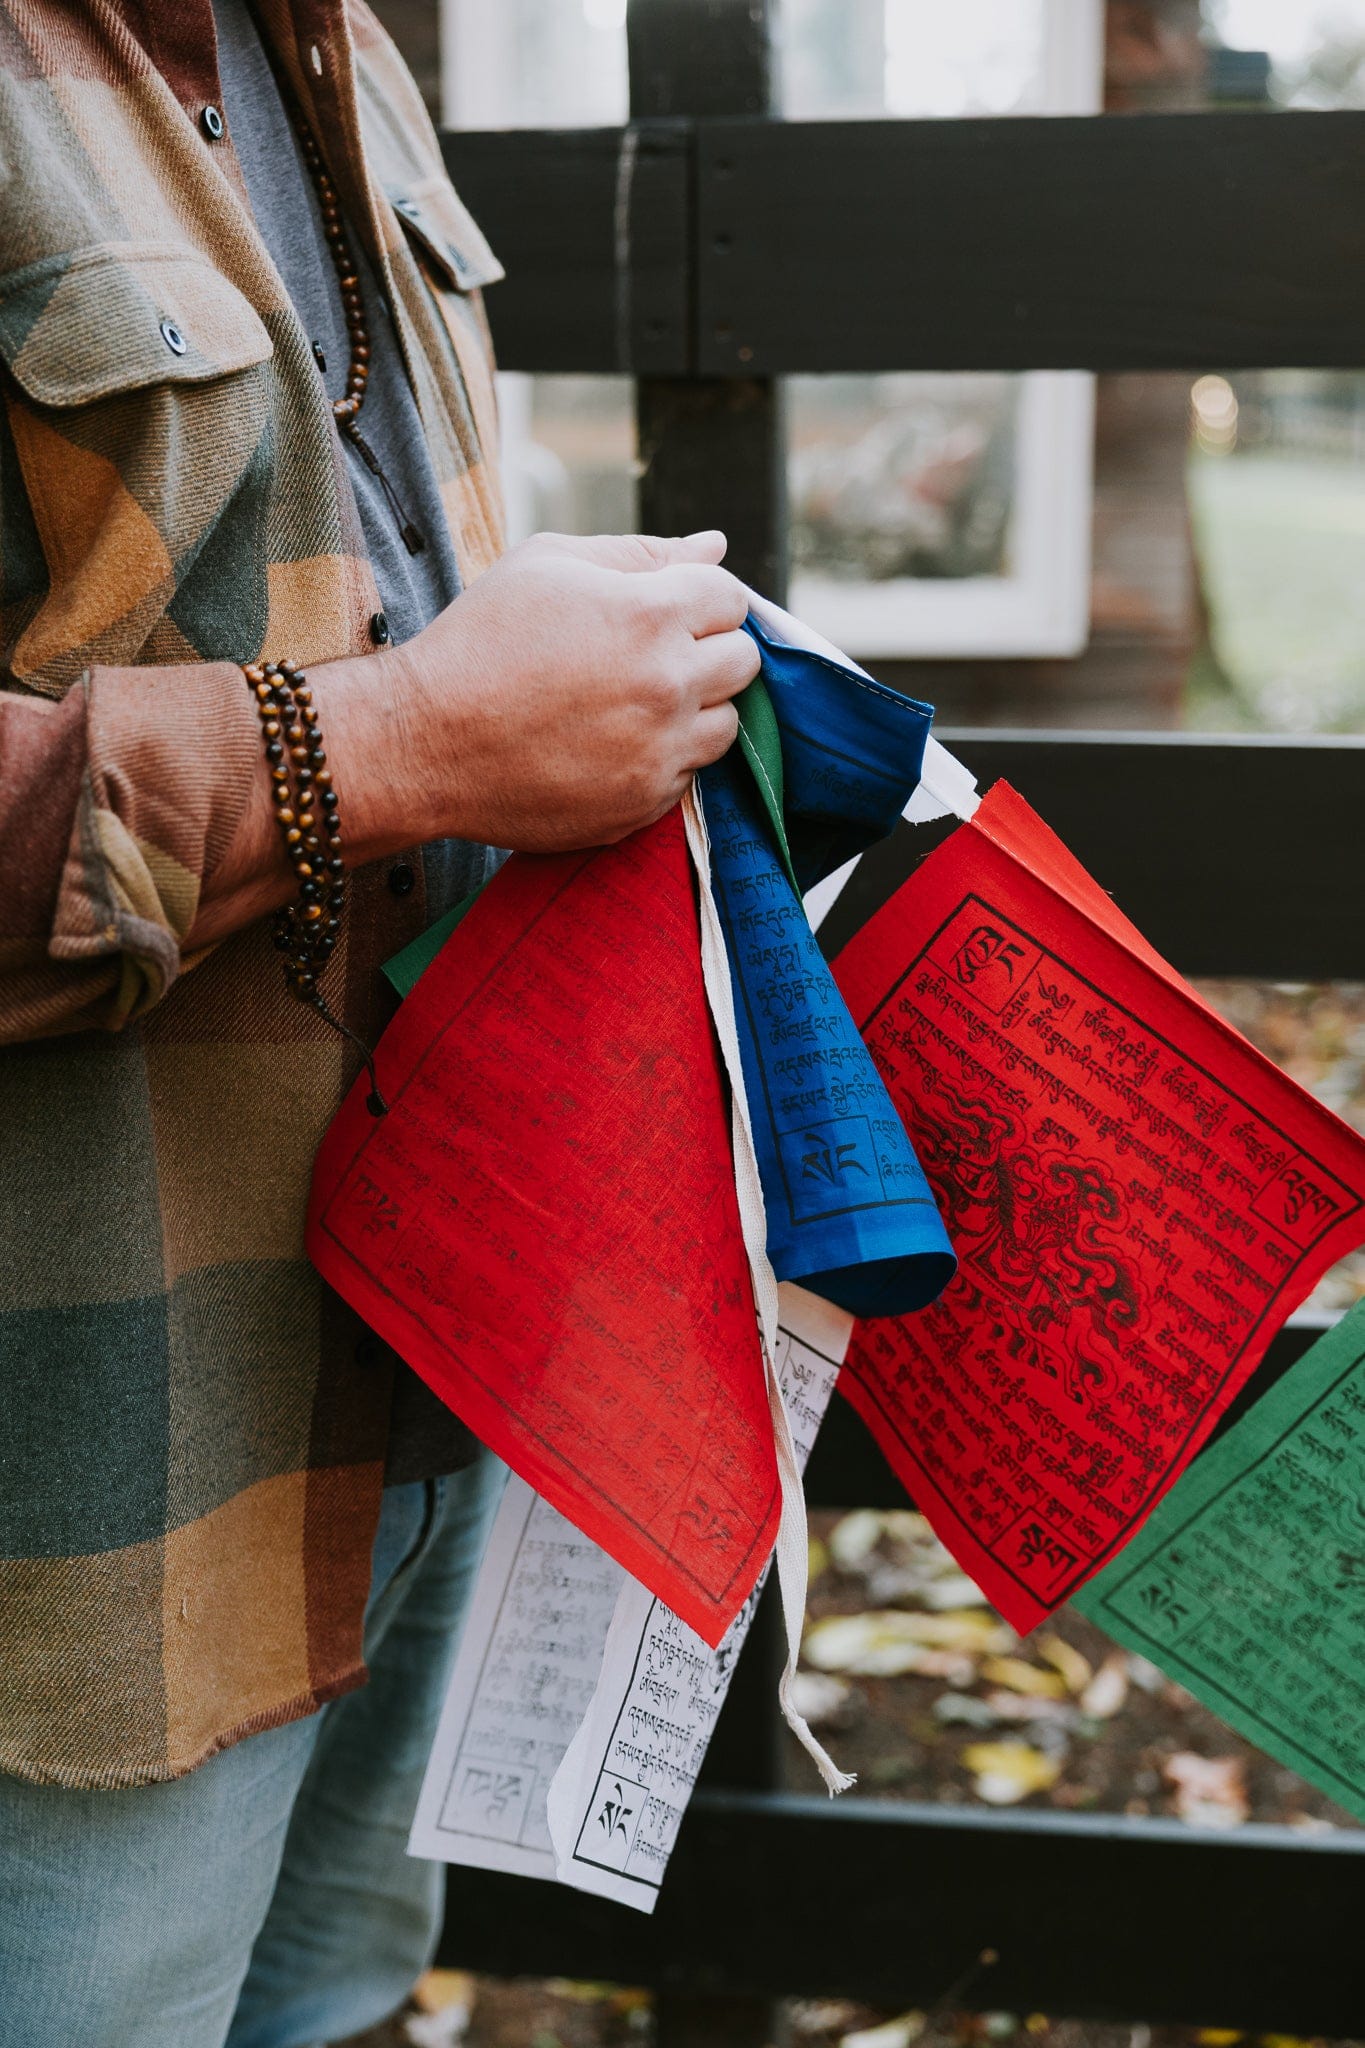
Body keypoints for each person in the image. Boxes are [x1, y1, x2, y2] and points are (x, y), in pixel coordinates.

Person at [0, 2, 760, 2042]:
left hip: (413, 1400)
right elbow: (394, 725)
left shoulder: (334, 49)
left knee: (332, 2001)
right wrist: (411, 739)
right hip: (75, 1530)